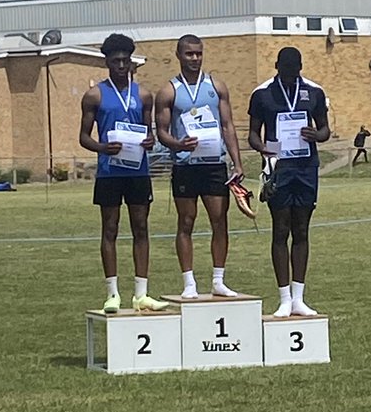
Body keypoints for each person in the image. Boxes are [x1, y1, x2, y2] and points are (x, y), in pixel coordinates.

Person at [79, 33, 168, 313]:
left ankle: (141, 293)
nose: (120, 65)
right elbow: (83, 137)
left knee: (141, 227)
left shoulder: (143, 95)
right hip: (109, 172)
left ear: (131, 62)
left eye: (125, 60)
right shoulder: (95, 95)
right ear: (106, 62)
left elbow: (149, 134)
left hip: (138, 171)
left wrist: (150, 142)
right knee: (110, 229)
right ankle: (112, 293)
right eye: (115, 60)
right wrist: (103, 147)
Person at [155, 34, 246, 298]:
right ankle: (189, 283)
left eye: (198, 53)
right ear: (178, 55)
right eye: (189, 54)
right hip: (185, 165)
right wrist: (177, 144)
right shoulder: (168, 91)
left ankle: (219, 280)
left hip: (214, 164)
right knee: (186, 221)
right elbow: (161, 131)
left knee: (220, 220)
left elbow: (227, 126)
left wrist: (237, 162)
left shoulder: (216, 86)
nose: (194, 58)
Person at [248, 46, 330, 318]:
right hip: (277, 168)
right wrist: (263, 149)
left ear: (301, 68)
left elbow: (325, 129)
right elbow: (252, 134)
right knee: (280, 230)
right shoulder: (262, 94)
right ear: (276, 66)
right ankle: (284, 298)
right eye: (286, 70)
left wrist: (316, 135)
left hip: (306, 168)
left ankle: (299, 298)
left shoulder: (315, 92)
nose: (291, 75)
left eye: (295, 70)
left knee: (302, 230)